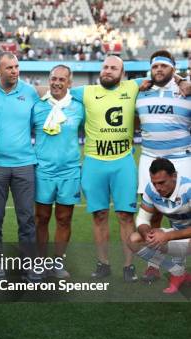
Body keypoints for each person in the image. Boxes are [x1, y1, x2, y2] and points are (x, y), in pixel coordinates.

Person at [69, 55, 144, 282]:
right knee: (99, 215)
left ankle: (129, 266)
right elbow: (54, 88)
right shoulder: (86, 91)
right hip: (94, 162)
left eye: (114, 68)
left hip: (123, 162)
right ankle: (103, 263)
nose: (108, 71)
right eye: (105, 67)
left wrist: (181, 81)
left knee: (125, 216)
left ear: (122, 73)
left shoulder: (133, 86)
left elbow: (163, 77)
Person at [0, 52, 39, 281]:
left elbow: (38, 124)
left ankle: (29, 266)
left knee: (26, 219)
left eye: (16, 66)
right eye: (9, 67)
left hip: (24, 165)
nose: (14, 71)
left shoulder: (30, 92)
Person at [135, 50, 191, 282]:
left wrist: (182, 80)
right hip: (149, 157)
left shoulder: (185, 90)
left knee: (182, 213)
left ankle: (179, 266)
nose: (159, 70)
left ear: (173, 68)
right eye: (155, 66)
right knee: (153, 212)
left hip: (181, 159)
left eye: (164, 66)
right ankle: (154, 264)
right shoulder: (140, 91)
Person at [32, 65, 84, 279]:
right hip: (42, 170)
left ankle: (57, 263)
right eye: (53, 78)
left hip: (70, 171)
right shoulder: (37, 106)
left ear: (69, 83)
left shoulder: (79, 107)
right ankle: (40, 263)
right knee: (41, 218)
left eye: (62, 79)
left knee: (64, 218)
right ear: (49, 79)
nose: (57, 82)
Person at [129, 158, 190, 293]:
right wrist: (147, 234)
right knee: (134, 239)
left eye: (162, 182)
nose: (158, 188)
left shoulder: (188, 189)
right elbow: (142, 219)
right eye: (154, 183)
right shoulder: (151, 189)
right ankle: (177, 272)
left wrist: (168, 236)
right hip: (177, 234)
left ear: (174, 176)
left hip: (182, 235)